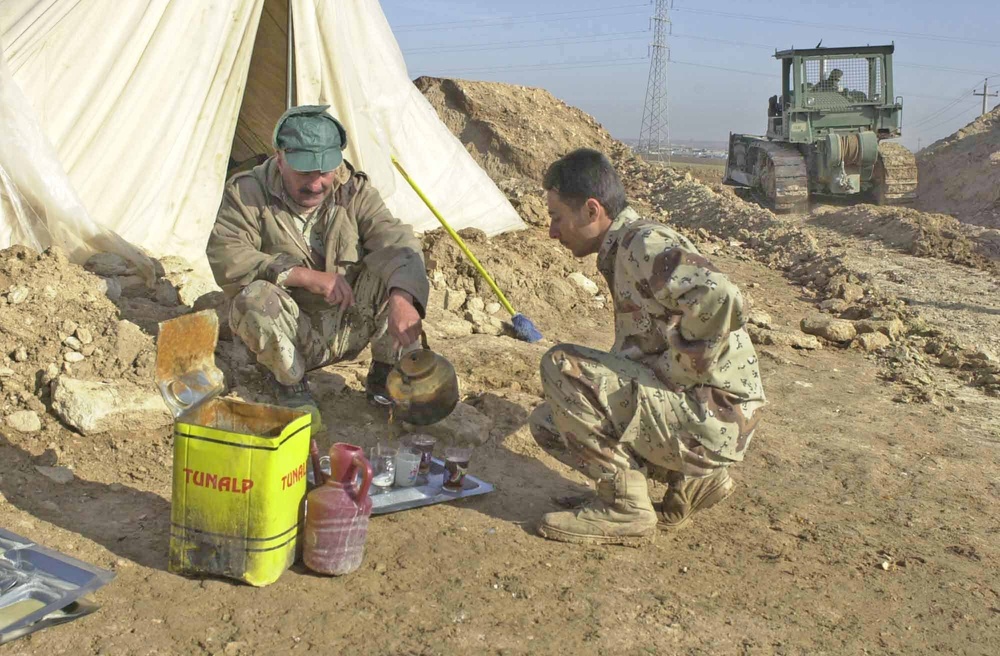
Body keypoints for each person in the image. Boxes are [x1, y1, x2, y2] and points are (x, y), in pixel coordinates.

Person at [530, 149, 765, 546]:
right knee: (552, 423)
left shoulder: (643, 243)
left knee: (562, 366)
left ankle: (624, 507)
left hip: (715, 416)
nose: (553, 231)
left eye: (557, 218)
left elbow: (720, 296)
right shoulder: (624, 248)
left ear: (592, 210)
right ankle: (689, 482)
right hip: (708, 415)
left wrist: (676, 372)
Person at [207, 105, 427, 416]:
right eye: (304, 172)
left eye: (324, 172)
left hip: (349, 322)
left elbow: (396, 241)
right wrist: (301, 275)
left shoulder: (353, 191)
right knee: (252, 298)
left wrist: (404, 298)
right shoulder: (248, 192)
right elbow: (226, 253)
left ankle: (386, 373)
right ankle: (289, 383)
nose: (315, 184)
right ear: (280, 158)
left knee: (396, 267)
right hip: (294, 335)